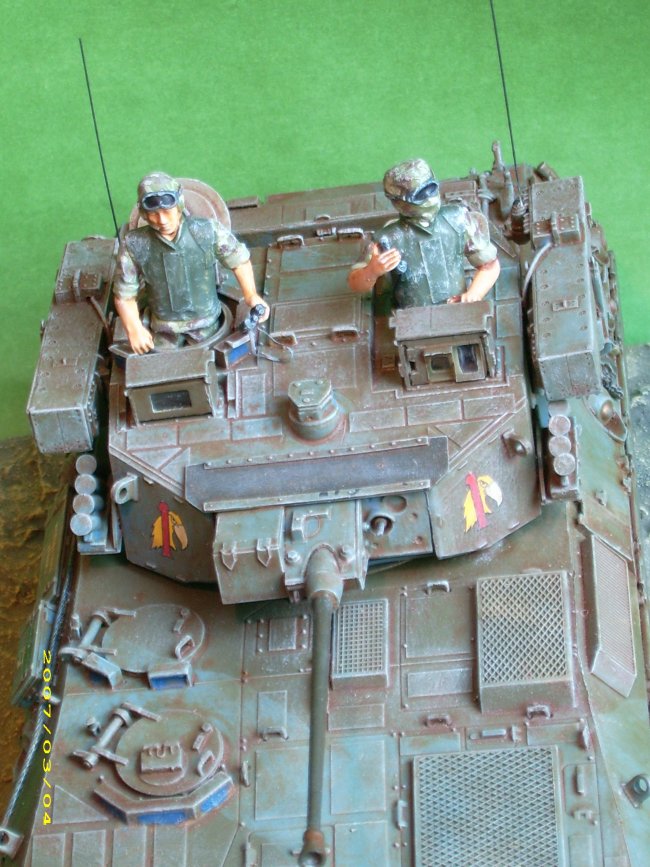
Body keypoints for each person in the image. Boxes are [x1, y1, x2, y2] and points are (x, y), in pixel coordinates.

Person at [113, 172, 269, 353]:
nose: (162, 220)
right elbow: (124, 294)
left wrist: (251, 295)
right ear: (144, 214)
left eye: (167, 212)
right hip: (163, 328)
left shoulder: (208, 230)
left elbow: (239, 261)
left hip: (208, 324)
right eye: (154, 214)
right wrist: (134, 329)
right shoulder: (134, 244)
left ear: (179, 205)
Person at [348, 158, 500, 307]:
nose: (429, 198)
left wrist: (474, 294)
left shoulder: (458, 219)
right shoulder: (386, 239)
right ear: (399, 202)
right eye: (420, 195)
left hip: (457, 309)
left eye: (431, 189)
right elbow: (355, 283)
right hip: (410, 317)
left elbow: (490, 265)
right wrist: (372, 271)